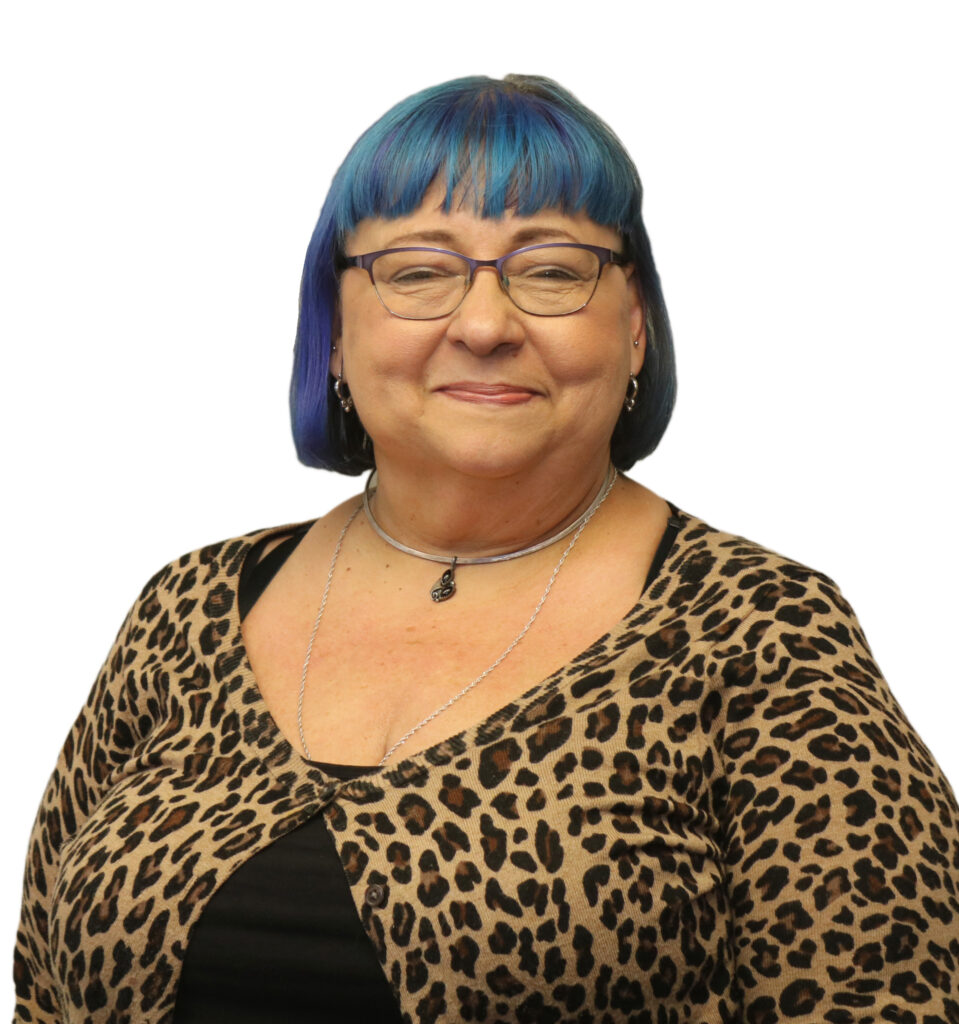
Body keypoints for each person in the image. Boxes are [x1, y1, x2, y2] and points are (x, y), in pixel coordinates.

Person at [12, 74, 958, 1024]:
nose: (484, 325)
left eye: (550, 270)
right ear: (334, 333)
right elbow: (46, 991)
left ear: (633, 328)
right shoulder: (188, 607)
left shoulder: (764, 633)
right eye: (419, 271)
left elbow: (881, 1002)